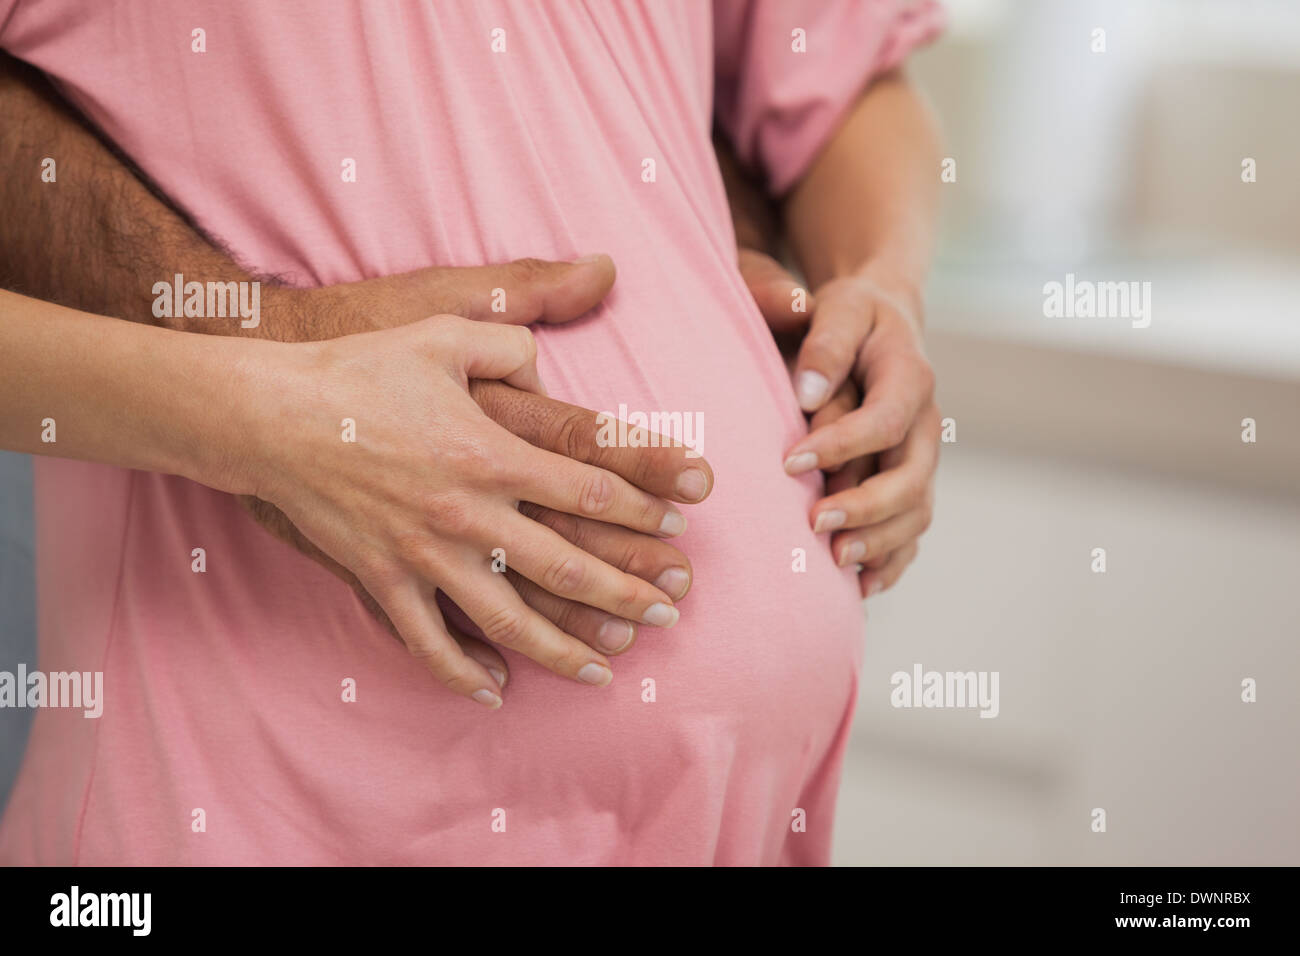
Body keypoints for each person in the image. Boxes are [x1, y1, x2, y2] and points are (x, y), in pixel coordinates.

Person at [0, 0, 944, 865]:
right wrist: (273, 411)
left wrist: (878, 284)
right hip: (271, 806)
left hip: (735, 814)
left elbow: (846, 77)